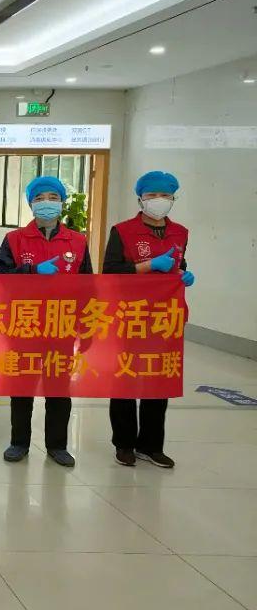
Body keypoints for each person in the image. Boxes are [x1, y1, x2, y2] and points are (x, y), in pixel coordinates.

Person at [0, 175, 92, 468]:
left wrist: (87, 327)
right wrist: (32, 270)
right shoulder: (15, 239)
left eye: (52, 197)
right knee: (22, 386)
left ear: (62, 202)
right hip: (24, 325)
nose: (46, 203)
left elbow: (87, 287)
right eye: (39, 198)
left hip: (61, 326)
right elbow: (0, 277)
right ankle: (19, 442)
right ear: (30, 204)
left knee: (58, 388)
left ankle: (57, 445)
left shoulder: (77, 241)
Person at [102, 171, 193, 469]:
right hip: (129, 315)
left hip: (164, 317)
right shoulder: (123, 231)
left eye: (165, 195)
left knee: (158, 380)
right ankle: (124, 443)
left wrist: (183, 273)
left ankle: (151, 445)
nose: (159, 200)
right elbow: (111, 271)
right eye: (152, 195)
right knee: (126, 378)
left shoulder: (180, 232)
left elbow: (179, 263)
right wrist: (148, 265)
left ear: (173, 198)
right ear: (140, 199)